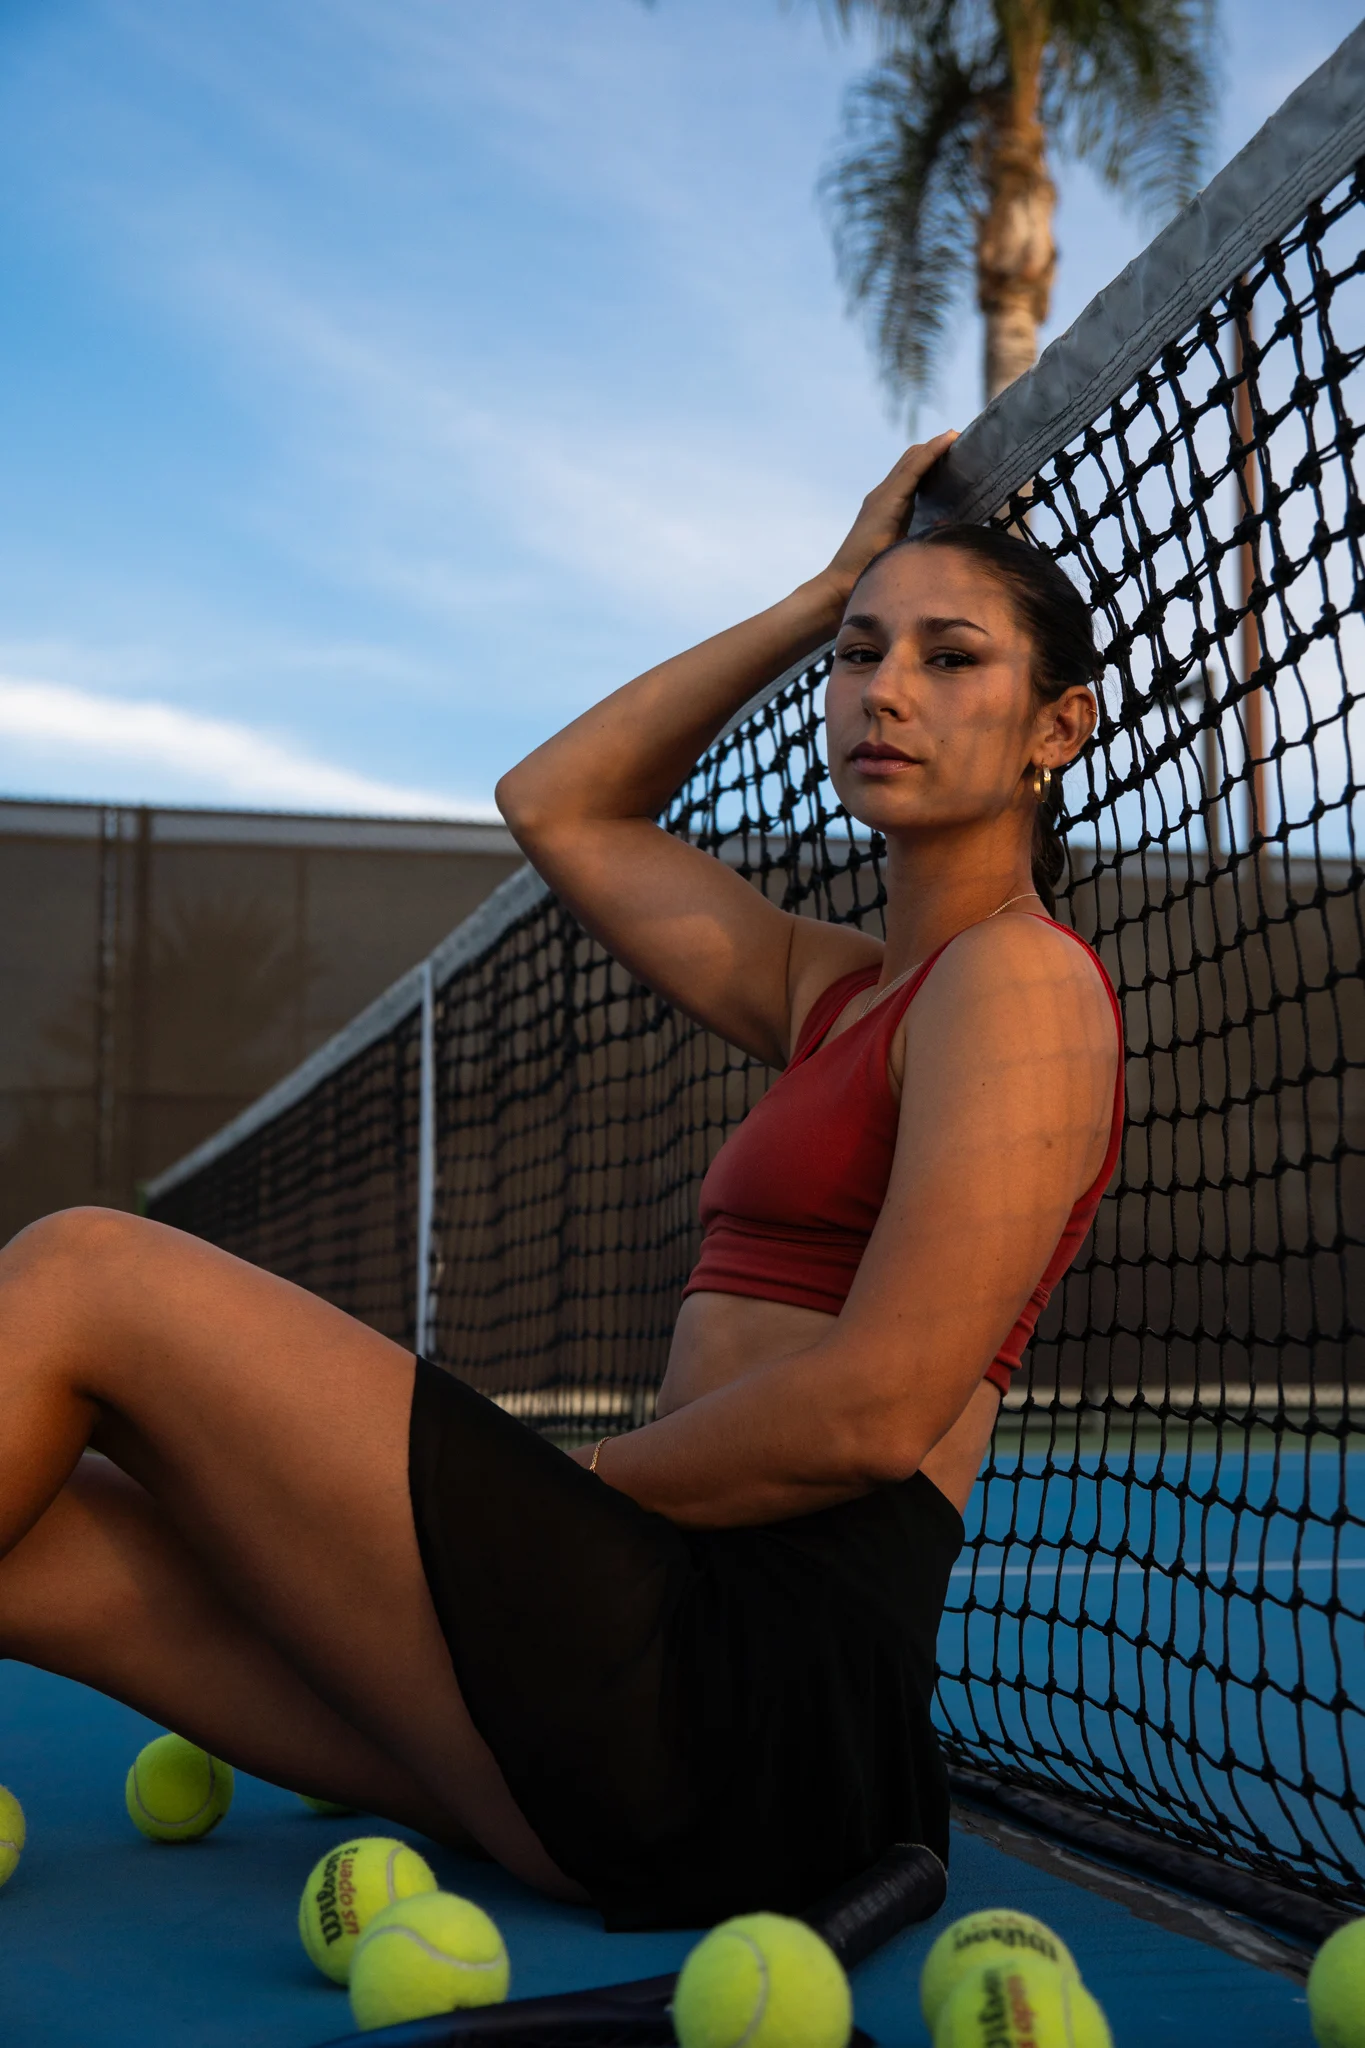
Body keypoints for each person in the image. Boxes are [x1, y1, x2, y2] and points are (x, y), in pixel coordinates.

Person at [0, 437, 1121, 1932]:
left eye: (951, 656)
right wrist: (809, 596)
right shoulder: (838, 992)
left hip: (741, 1702)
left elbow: (873, 1411)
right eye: (860, 654)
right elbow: (564, 808)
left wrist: (551, 1504)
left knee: (85, 1269)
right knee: (48, 1537)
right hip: (624, 1717)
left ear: (1061, 725)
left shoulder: (1023, 985)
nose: (884, 690)